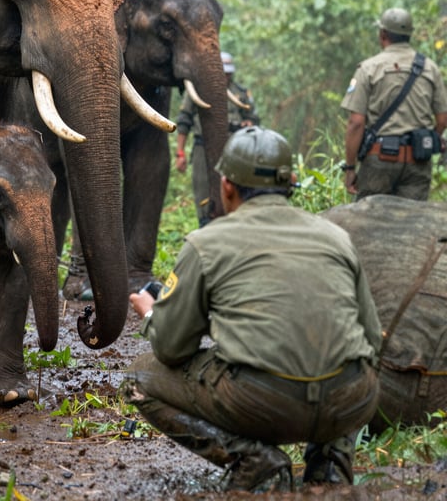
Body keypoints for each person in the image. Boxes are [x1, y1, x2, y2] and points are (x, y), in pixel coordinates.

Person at [122, 126, 381, 492]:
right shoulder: (335, 236)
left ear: (227, 186)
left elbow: (172, 348)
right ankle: (331, 466)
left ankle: (252, 457)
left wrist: (152, 314)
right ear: (291, 181)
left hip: (263, 403)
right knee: (347, 361)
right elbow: (371, 338)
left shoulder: (207, 243)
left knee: (139, 379)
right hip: (351, 399)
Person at [341, 7, 447, 200]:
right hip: (418, 162)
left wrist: (350, 168)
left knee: (371, 222)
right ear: (409, 35)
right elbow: (442, 119)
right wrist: (424, 143)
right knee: (413, 222)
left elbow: (356, 123)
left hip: (379, 160)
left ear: (383, 34)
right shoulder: (430, 68)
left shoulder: (368, 69)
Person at [175, 51, 258, 226]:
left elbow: (253, 118)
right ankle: (205, 224)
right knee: (204, 191)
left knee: (235, 186)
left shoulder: (240, 93)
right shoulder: (198, 90)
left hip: (233, 147)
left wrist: (248, 123)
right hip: (202, 147)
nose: (225, 77)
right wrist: (180, 152)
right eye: (223, 72)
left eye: (228, 73)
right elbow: (184, 121)